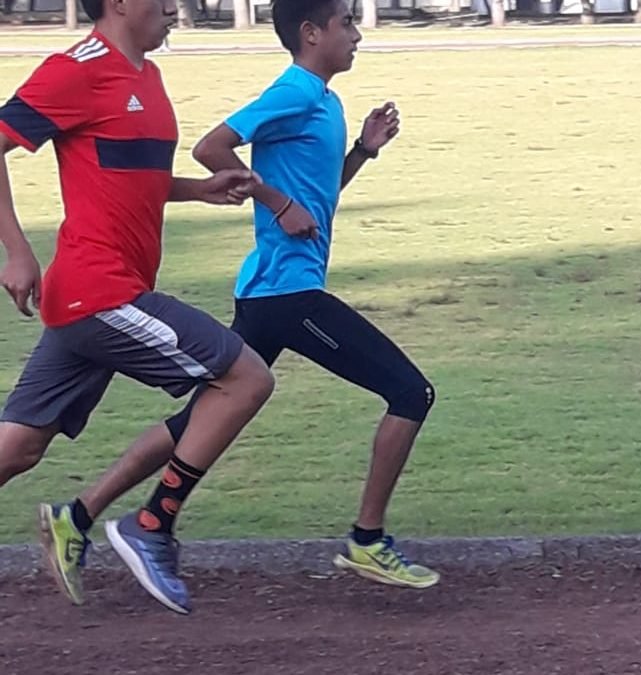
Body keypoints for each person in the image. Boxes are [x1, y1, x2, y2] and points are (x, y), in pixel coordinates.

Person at [41, 0, 440, 605]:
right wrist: (277, 203)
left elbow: (318, 200)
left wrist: (363, 150)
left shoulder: (327, 102)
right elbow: (211, 149)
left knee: (196, 421)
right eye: (348, 24)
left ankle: (78, 514)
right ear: (311, 34)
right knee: (412, 393)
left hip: (270, 289)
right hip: (288, 292)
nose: (358, 35)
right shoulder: (295, 92)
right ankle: (366, 537)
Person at [0, 0, 275, 615]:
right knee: (247, 379)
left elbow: (124, 173)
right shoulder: (76, 68)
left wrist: (195, 189)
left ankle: (80, 523)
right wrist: (17, 252)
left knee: (16, 449)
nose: (177, 7)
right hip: (100, 293)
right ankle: (151, 526)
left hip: (91, 297)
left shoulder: (145, 75)